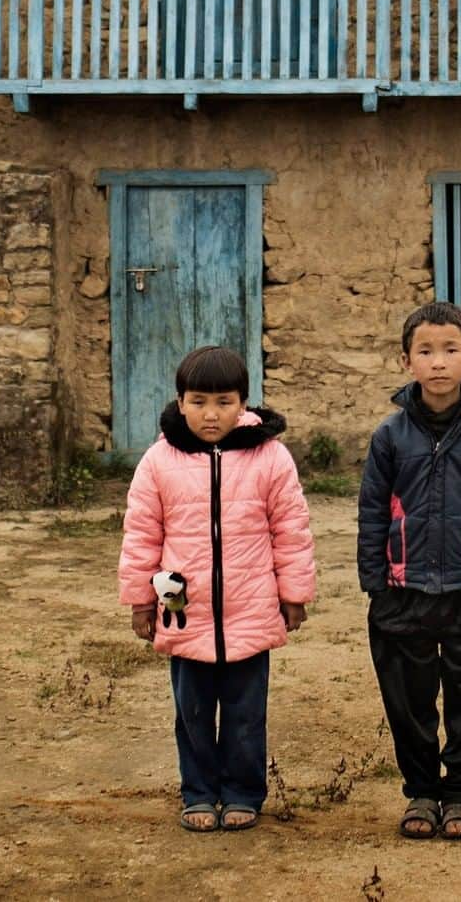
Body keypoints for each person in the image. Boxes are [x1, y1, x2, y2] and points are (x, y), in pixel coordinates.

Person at [119, 345, 315, 833]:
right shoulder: (159, 461)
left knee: (247, 715)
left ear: (244, 403)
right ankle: (200, 793)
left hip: (250, 607)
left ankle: (244, 792)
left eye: (224, 401)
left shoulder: (270, 458)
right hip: (183, 607)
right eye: (199, 401)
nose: (211, 414)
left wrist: (293, 593)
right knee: (193, 714)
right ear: (180, 402)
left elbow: (291, 530)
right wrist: (141, 601)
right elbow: (142, 533)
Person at [357, 301, 461, 842]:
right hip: (404, 593)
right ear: (406, 361)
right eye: (425, 351)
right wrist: (375, 583)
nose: (438, 363)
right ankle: (423, 792)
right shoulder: (389, 437)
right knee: (408, 699)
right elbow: (372, 511)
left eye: (451, 350)